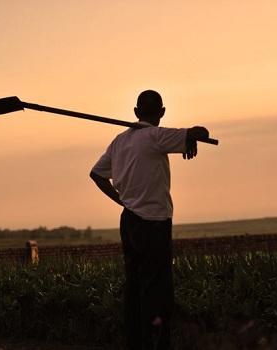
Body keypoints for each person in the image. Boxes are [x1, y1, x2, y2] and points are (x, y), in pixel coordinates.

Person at [89, 90, 209, 350]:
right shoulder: (156, 136)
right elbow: (201, 131)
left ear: (135, 112)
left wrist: (120, 199)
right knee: (157, 289)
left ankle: (136, 342)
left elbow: (97, 174)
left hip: (129, 220)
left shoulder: (119, 141)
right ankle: (156, 344)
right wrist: (191, 139)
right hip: (154, 223)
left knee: (134, 285)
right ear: (162, 112)